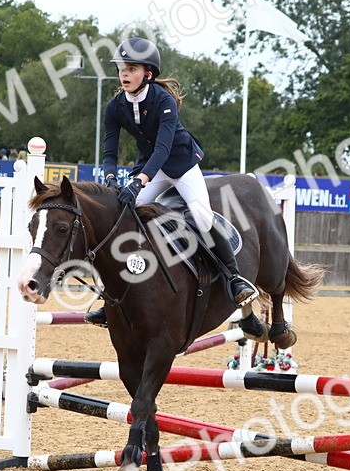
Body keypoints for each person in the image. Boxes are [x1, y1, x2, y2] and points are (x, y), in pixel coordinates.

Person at [86, 37, 256, 327]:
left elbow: (163, 150)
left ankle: (234, 279)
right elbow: (109, 150)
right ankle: (110, 295)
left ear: (147, 73)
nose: (124, 74)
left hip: (180, 165)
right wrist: (112, 178)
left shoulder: (163, 101)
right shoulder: (115, 106)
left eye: (131, 68)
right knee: (122, 216)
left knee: (202, 216)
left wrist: (138, 181)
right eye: (121, 68)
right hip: (149, 167)